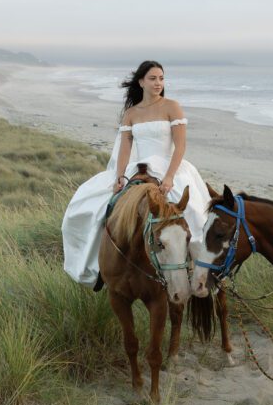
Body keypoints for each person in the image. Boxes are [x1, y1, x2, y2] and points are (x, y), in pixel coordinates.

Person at [62, 60, 211, 287]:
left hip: (169, 168)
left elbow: (180, 147)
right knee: (95, 206)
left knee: (191, 212)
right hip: (138, 168)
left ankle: (197, 275)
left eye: (161, 78)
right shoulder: (131, 113)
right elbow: (125, 149)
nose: (158, 83)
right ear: (141, 82)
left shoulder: (172, 107)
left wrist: (170, 177)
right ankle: (103, 269)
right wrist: (119, 177)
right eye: (152, 78)